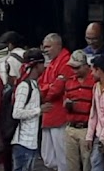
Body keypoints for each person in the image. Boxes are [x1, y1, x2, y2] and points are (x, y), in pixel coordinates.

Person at [38, 33, 73, 171]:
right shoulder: (52, 62)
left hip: (59, 115)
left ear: (58, 45)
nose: (45, 50)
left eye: (48, 47)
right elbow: (40, 85)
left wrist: (45, 91)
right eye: (44, 47)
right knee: (48, 158)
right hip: (48, 115)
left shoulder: (66, 61)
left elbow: (56, 90)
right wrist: (47, 87)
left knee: (62, 158)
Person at [10, 49, 46, 171]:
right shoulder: (24, 86)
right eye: (42, 63)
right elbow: (16, 113)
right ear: (37, 65)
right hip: (22, 143)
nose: (44, 67)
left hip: (31, 143)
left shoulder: (34, 85)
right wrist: (38, 110)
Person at [62, 50, 95, 171]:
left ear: (86, 66)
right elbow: (64, 100)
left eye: (77, 68)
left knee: (88, 164)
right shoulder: (69, 82)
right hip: (71, 127)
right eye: (72, 68)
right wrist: (67, 104)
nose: (74, 71)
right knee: (71, 165)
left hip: (87, 128)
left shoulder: (94, 80)